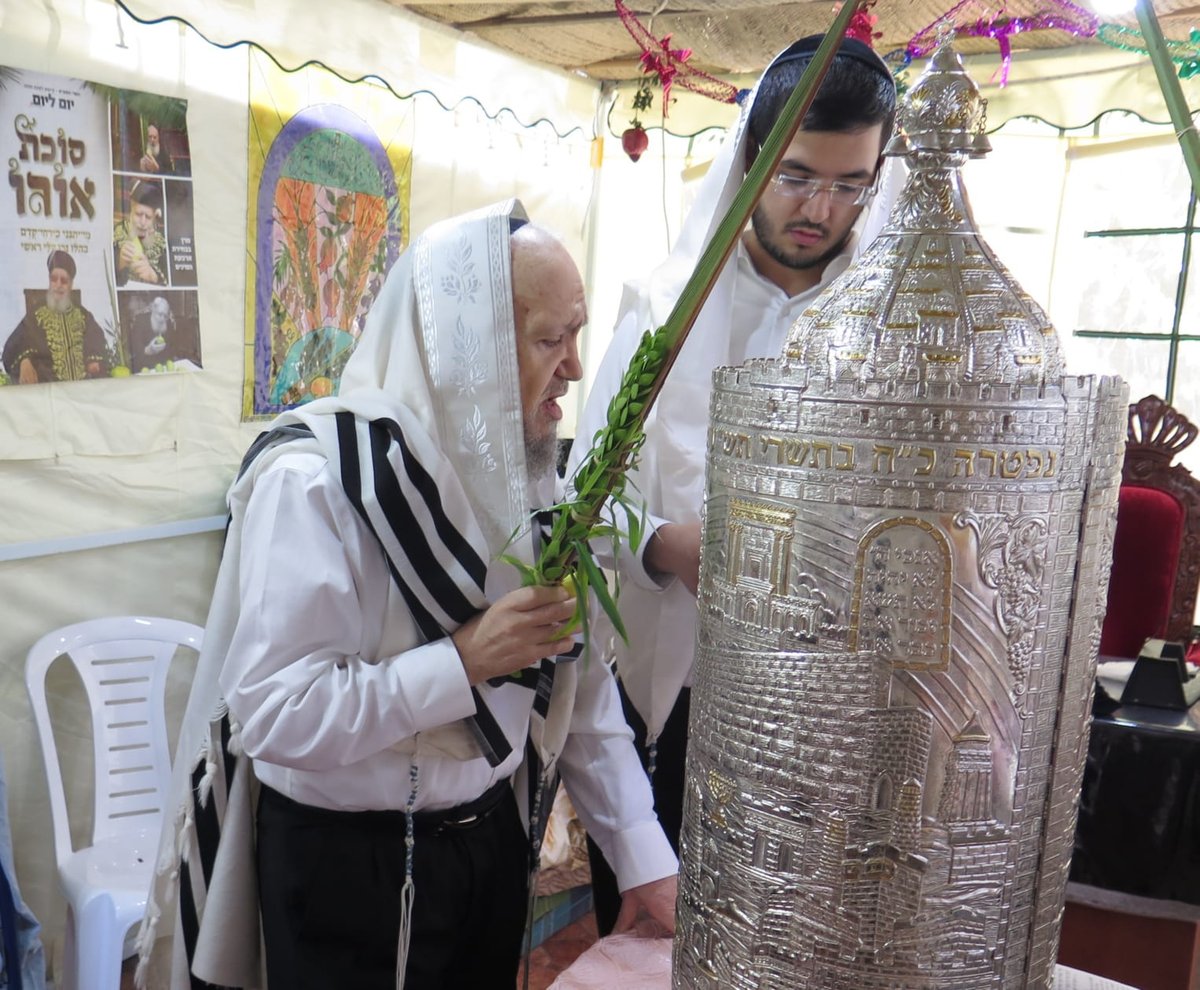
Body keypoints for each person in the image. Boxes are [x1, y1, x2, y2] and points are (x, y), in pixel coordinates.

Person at [135, 200, 677, 990]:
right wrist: (461, 662)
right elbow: (277, 712)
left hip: (486, 847)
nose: (574, 368)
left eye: (576, 334)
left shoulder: (535, 485)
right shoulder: (321, 480)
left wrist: (640, 857)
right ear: (473, 354)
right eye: (549, 339)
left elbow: (576, 696)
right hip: (342, 866)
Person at [571, 33, 900, 936]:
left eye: (848, 184)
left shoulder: (888, 330)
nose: (816, 208)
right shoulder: (664, 309)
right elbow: (579, 503)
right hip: (667, 693)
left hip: (822, 720)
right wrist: (664, 546)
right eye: (795, 175)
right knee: (653, 942)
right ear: (752, 157)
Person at [2, 250, 109, 384]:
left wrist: (94, 361)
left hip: (82, 392)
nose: (58, 285)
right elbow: (13, 347)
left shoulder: (83, 316)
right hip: (47, 393)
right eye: (54, 279)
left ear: (71, 284)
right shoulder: (36, 315)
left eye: (63, 281)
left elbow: (97, 342)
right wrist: (25, 361)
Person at [114, 180, 167, 286]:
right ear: (130, 212)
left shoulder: (162, 241)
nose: (142, 223)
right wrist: (119, 263)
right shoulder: (117, 233)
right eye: (138, 214)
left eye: (148, 217)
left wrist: (153, 276)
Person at [127, 295, 188, 372]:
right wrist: (148, 350)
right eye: (160, 314)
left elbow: (173, 347)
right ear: (153, 309)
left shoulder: (168, 322)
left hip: (164, 367)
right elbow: (134, 347)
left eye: (165, 316)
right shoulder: (140, 320)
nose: (162, 319)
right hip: (144, 367)